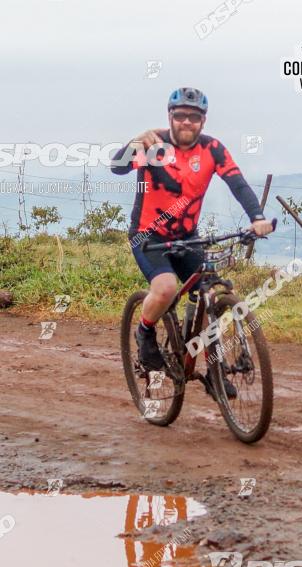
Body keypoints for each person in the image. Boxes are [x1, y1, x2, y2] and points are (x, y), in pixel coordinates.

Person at [111, 87, 275, 383]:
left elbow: (237, 184)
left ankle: (213, 370)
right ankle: (145, 331)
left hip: (187, 236)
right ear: (170, 117)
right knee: (165, 288)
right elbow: (117, 167)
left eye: (194, 117)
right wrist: (133, 143)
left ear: (204, 120)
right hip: (149, 237)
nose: (187, 122)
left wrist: (257, 218)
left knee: (209, 294)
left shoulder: (212, 149)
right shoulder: (153, 144)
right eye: (181, 116)